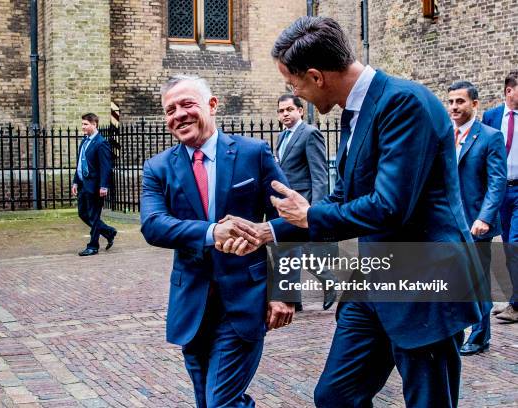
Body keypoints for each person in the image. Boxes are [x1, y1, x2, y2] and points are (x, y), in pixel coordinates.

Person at [220, 16, 485, 407]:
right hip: (372, 282)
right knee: (335, 396)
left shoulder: (404, 102)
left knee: (429, 400)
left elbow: (389, 206)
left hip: (424, 284)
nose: (295, 94)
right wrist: (268, 232)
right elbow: (343, 194)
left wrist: (311, 216)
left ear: (315, 76)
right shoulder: (355, 111)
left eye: (293, 85)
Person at [140, 75, 298, 407]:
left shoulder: (252, 153)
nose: (178, 115)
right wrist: (213, 233)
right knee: (209, 401)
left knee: (220, 403)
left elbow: (291, 221)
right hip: (192, 305)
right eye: (170, 110)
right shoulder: (158, 168)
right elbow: (153, 225)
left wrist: (285, 292)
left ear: (212, 106)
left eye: (187, 104)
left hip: (245, 300)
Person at [447, 80, 506, 355]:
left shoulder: (490, 136)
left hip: (476, 222)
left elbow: (497, 182)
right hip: (449, 221)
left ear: (474, 104)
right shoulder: (446, 135)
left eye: (460, 101)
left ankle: (481, 335)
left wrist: (484, 217)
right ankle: (455, 330)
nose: (454, 107)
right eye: (451, 102)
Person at [275, 94, 337, 310]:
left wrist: (315, 210)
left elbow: (319, 176)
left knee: (306, 253)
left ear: (300, 111)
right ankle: (294, 301)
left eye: (289, 109)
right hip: (287, 206)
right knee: (287, 251)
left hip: (305, 206)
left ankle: (330, 281)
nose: (285, 114)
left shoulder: (310, 134)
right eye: (281, 111)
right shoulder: (281, 138)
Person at [482, 70, 518, 323]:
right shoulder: (492, 116)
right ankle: (514, 299)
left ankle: (516, 305)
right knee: (507, 246)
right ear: (509, 91)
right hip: (499, 191)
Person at [71, 113, 117, 256]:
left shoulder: (101, 143)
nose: (83, 127)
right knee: (83, 214)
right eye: (82, 124)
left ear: (94, 124)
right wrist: (75, 182)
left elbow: (106, 167)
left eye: (85, 124)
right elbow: (80, 164)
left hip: (95, 186)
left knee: (94, 216)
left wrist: (104, 186)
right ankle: (109, 232)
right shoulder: (84, 142)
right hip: (83, 184)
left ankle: (93, 246)